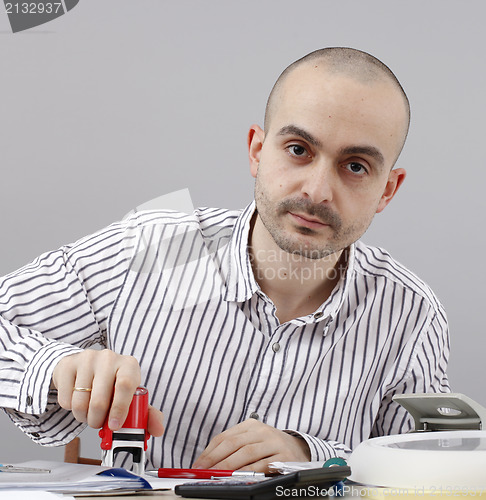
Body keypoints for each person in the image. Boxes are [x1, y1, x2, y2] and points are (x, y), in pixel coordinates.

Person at [0, 47, 449, 473]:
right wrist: (58, 368)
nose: (317, 191)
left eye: (355, 166)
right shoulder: (156, 244)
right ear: (257, 150)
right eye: (298, 150)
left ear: (387, 189)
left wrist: (309, 455)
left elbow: (425, 469)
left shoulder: (409, 313)